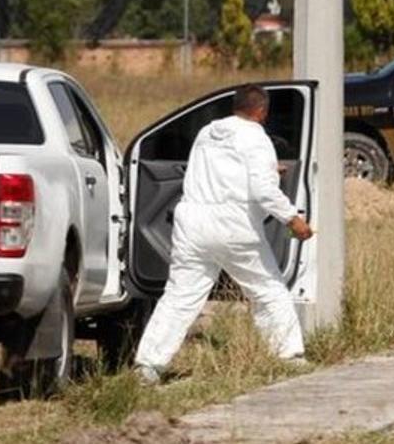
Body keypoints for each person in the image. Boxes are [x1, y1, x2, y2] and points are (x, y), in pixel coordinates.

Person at [133, 84, 314, 384]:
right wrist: (293, 219)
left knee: (179, 297)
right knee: (268, 291)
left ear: (235, 106)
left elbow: (224, 169)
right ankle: (289, 357)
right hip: (234, 225)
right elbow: (262, 190)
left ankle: (148, 366)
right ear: (262, 111)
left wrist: (271, 170)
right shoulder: (256, 137)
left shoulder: (208, 132)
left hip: (192, 223)